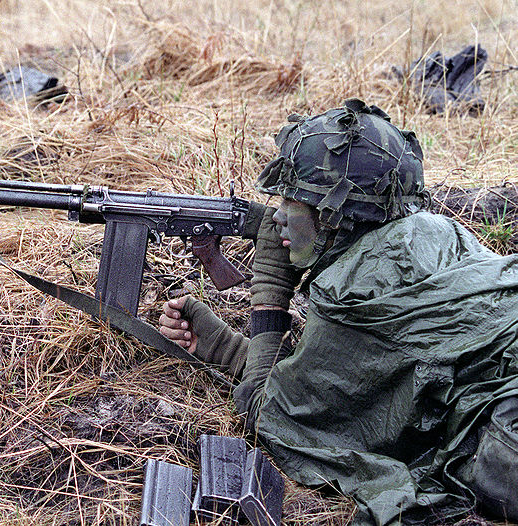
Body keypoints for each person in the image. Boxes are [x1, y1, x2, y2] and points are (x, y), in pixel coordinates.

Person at [159, 99, 518, 525]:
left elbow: (269, 413)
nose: (276, 215)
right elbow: (377, 372)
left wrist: (271, 284)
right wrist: (225, 346)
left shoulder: (350, 295)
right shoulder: (440, 230)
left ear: (333, 217)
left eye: (291, 201)